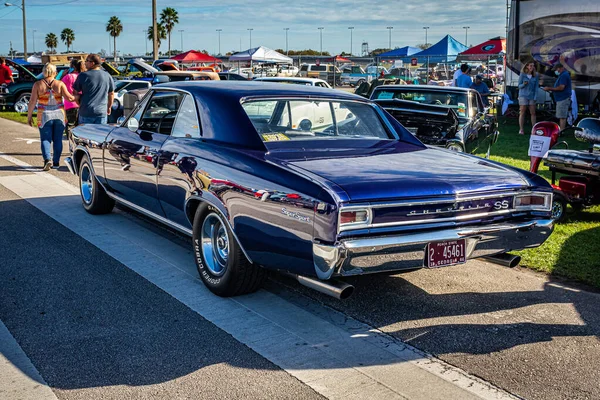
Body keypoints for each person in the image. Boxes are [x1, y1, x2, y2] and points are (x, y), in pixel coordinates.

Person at [26, 63, 75, 171]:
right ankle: (56, 162)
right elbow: (69, 98)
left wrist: (29, 117)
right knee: (58, 139)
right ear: (55, 72)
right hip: (59, 115)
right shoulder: (60, 84)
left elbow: (32, 101)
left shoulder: (37, 84)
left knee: (45, 139)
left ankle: (47, 159)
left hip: (44, 115)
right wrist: (78, 97)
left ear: (44, 71)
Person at [73, 53, 114, 124]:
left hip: (86, 111)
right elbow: (111, 93)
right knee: (100, 134)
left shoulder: (83, 75)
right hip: (101, 112)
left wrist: (80, 104)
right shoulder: (107, 75)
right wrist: (109, 106)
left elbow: (75, 92)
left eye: (86, 61)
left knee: (85, 134)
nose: (85, 63)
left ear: (92, 63)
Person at [543, 63, 572, 131]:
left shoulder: (564, 75)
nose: (556, 71)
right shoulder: (562, 75)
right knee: (561, 115)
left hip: (563, 98)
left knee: (562, 116)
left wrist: (549, 88)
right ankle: (561, 130)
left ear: (561, 68)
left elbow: (561, 88)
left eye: (556, 69)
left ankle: (561, 130)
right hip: (560, 98)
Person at [61, 59, 86, 134]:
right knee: (80, 125)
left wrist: (62, 75)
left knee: (70, 124)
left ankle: (70, 139)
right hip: (82, 103)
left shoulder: (68, 77)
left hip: (70, 103)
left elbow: (58, 85)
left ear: (73, 67)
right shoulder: (83, 76)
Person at [517, 61, 539, 135]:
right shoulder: (523, 75)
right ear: (527, 66)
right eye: (530, 66)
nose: (531, 67)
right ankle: (521, 129)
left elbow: (536, 87)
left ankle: (534, 129)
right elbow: (519, 86)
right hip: (523, 95)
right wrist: (523, 84)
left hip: (532, 96)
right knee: (522, 111)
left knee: (533, 112)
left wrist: (535, 96)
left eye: (533, 66)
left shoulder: (535, 76)